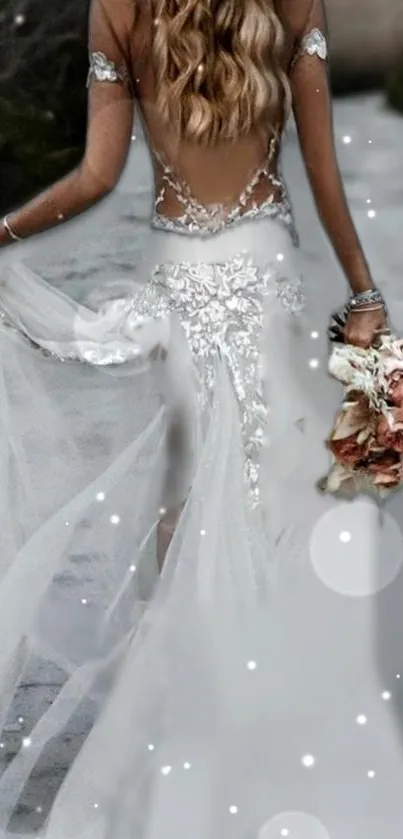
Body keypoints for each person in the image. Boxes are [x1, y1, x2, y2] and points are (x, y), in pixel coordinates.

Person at [0, 1, 390, 838]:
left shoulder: (117, 10)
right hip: (263, 275)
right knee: (278, 493)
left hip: (185, 287)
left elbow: (96, 177)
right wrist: (361, 290)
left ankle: (194, 707)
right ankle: (278, 717)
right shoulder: (292, 5)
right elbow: (321, 171)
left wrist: (6, 227)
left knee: (188, 499)